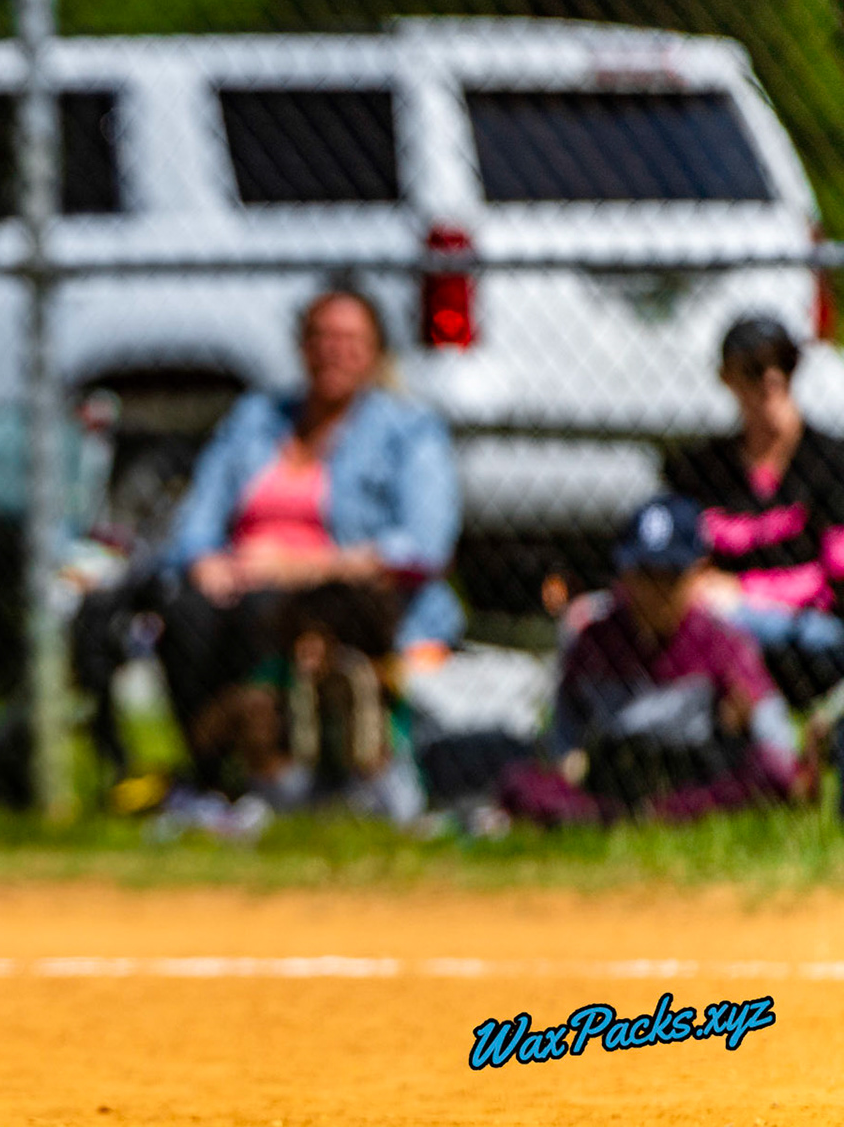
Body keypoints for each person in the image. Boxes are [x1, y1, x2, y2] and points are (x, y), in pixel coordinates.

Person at [156, 285, 461, 818]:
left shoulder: (408, 429)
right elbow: (197, 520)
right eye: (321, 337)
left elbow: (423, 547)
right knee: (186, 610)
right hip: (242, 579)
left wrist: (300, 567)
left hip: (344, 594)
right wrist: (205, 561)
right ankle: (210, 777)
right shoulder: (257, 417)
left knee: (264, 613)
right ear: (301, 347)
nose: (333, 351)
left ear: (375, 352)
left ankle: (274, 773)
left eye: (349, 339)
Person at [501, 495, 809, 826]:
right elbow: (565, 737)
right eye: (645, 574)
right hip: (615, 777)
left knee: (770, 774)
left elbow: (774, 738)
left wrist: (750, 723)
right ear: (623, 574)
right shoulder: (594, 639)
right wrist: (567, 762)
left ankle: (658, 814)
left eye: (670, 577)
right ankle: (616, 817)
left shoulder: (721, 640)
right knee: (518, 781)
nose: (655, 592)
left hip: (695, 777)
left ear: (698, 573)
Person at [663, 315, 844, 707]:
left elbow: (835, 576)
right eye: (755, 367)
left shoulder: (831, 462)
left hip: (810, 633)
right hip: (717, 625)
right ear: (727, 377)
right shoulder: (702, 471)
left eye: (785, 363)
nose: (772, 378)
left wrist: (742, 592)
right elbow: (674, 565)